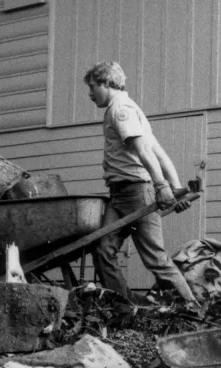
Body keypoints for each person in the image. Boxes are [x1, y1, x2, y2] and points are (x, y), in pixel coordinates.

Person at [84, 61, 199, 307]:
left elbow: (146, 152)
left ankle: (193, 309)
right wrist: (176, 187)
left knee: (155, 258)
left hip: (136, 192)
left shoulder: (121, 110)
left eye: (93, 87)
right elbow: (161, 153)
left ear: (106, 83)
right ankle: (124, 306)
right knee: (103, 250)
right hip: (119, 195)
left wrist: (162, 186)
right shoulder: (131, 109)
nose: (90, 94)